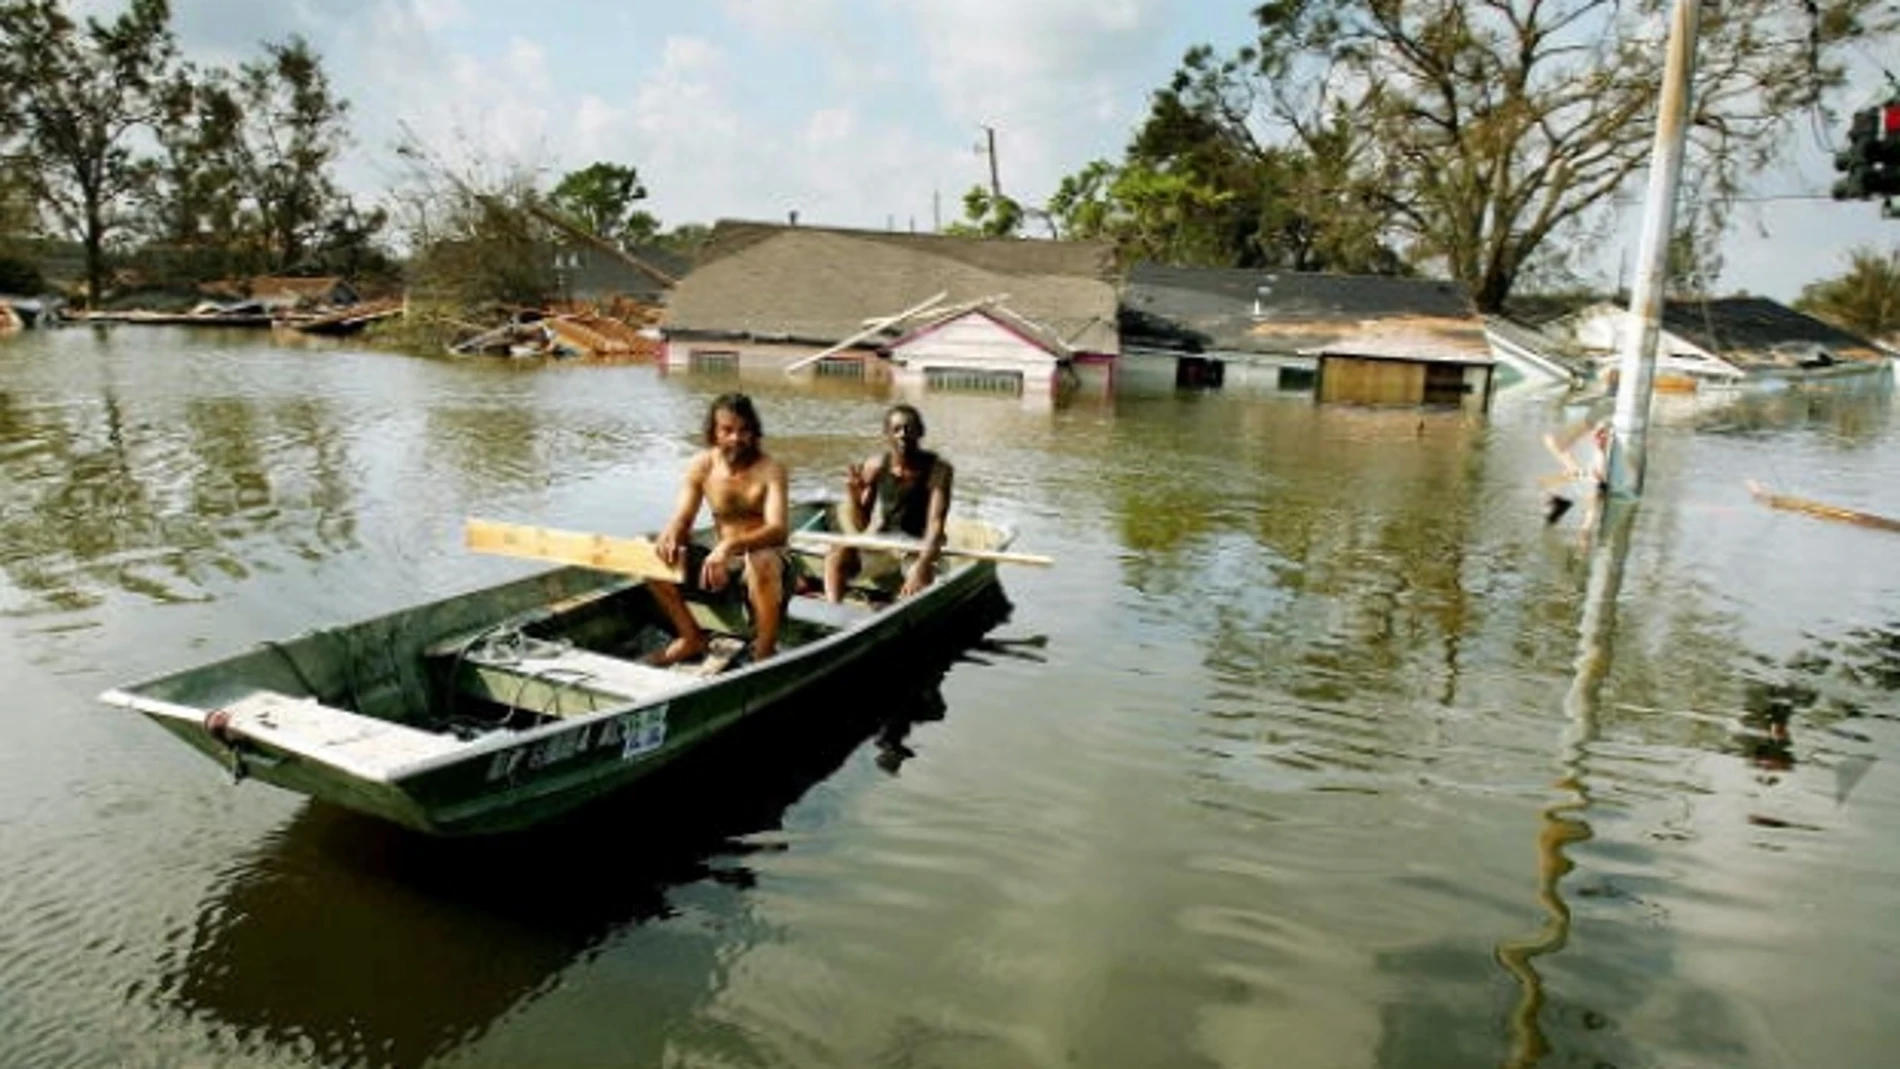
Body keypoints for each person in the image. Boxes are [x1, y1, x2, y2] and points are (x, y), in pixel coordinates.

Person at [647, 393, 789, 665]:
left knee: (762, 559)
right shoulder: (702, 465)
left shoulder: (771, 469)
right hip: (721, 563)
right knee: (648, 548)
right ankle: (690, 637)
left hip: (768, 565)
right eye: (727, 430)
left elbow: (778, 529)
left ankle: (765, 648)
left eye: (744, 430)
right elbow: (684, 518)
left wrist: (729, 546)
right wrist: (674, 529)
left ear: (754, 431)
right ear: (713, 432)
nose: (736, 438)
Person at [824, 403, 954, 602]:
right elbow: (861, 525)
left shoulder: (938, 470)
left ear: (920, 432)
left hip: (919, 546)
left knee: (921, 582)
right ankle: (833, 611)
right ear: (886, 434)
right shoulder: (875, 466)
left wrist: (922, 565)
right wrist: (853, 495)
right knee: (836, 555)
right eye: (896, 429)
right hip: (885, 542)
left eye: (909, 429)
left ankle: (908, 608)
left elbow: (936, 524)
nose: (902, 434)